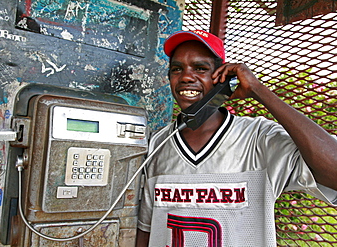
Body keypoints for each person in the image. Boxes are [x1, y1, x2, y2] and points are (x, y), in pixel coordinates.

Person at [136, 30, 337, 246]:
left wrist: (258, 90)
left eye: (200, 68)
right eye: (177, 69)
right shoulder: (158, 142)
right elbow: (147, 229)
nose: (185, 77)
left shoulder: (258, 138)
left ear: (222, 77)